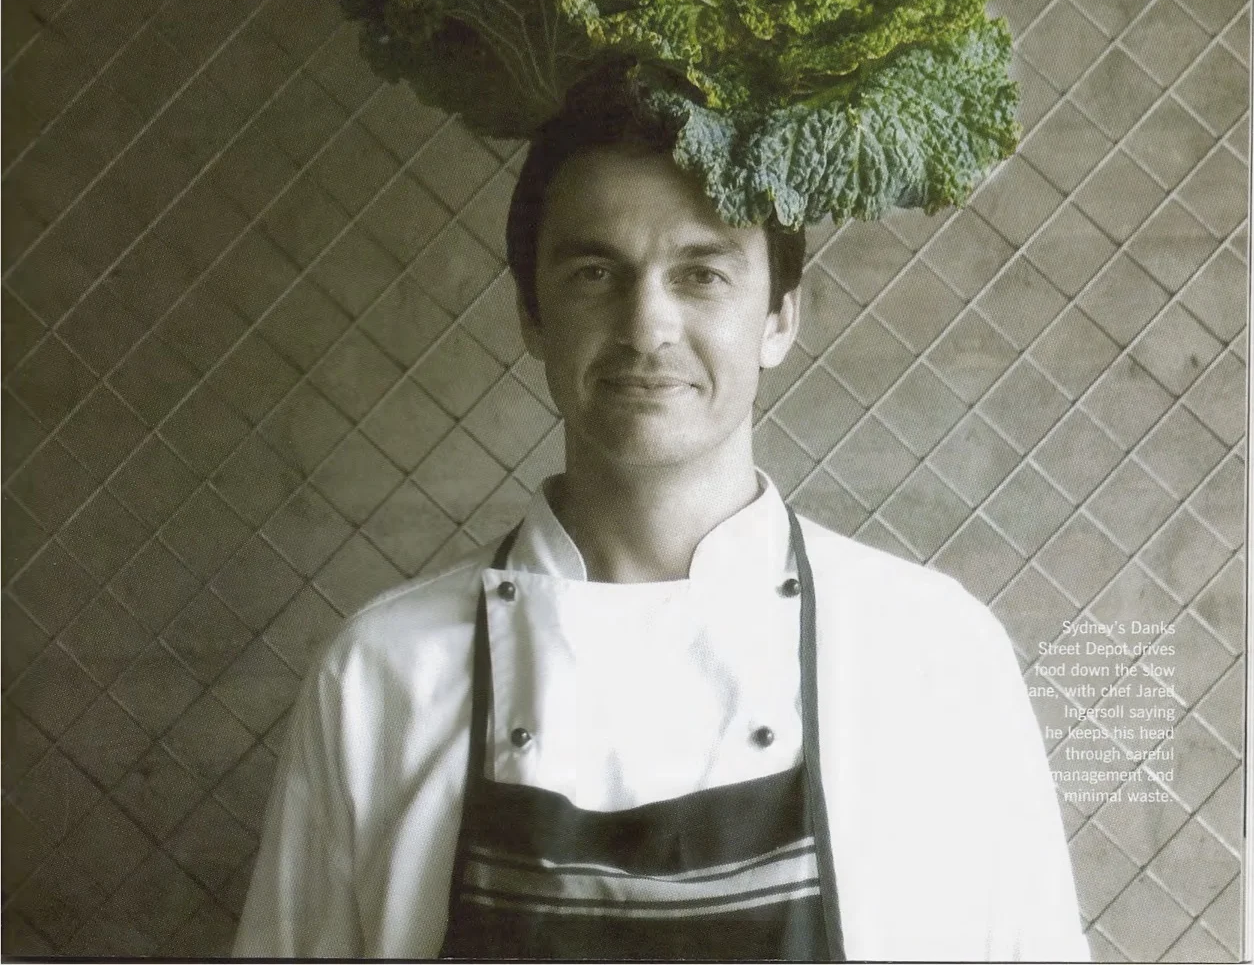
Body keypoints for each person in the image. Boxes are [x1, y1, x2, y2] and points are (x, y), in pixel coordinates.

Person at [233, 78, 1089, 962]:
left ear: (780, 316)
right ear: (532, 316)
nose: (647, 327)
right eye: (594, 274)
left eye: (701, 274)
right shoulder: (380, 677)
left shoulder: (936, 657)